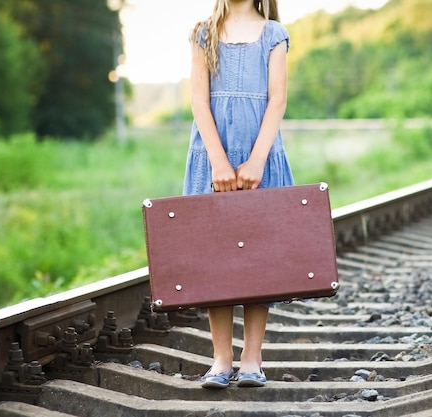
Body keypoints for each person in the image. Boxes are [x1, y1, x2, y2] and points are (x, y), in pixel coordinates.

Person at [183, 0, 294, 389]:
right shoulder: (203, 32)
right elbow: (199, 99)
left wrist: (257, 160)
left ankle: (252, 358)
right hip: (213, 154)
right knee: (217, 257)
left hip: (259, 154)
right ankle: (221, 358)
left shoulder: (273, 34)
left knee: (258, 257)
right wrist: (217, 160)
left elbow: (277, 100)